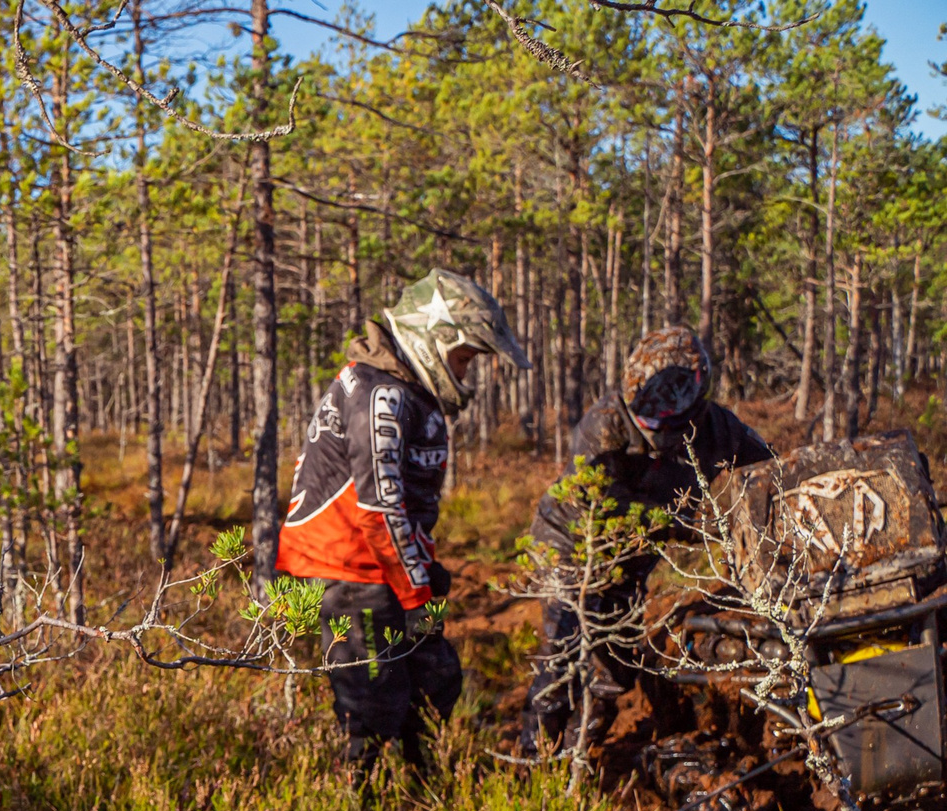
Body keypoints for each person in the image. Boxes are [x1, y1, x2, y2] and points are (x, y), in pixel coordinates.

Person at [276, 269, 528, 777]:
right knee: (372, 705)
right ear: (434, 339)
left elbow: (408, 505)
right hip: (349, 573)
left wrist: (424, 575)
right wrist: (417, 595)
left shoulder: (403, 390)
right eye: (463, 358)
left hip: (389, 571)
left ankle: (421, 789)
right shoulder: (378, 395)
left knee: (436, 680)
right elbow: (379, 506)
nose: (465, 372)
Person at [525, 325, 772, 754]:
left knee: (616, 667)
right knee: (560, 658)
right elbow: (604, 508)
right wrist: (690, 524)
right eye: (646, 419)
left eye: (663, 422)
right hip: (572, 545)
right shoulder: (604, 426)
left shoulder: (718, 429)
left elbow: (774, 475)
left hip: (631, 560)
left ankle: (576, 752)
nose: (652, 430)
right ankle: (533, 762)